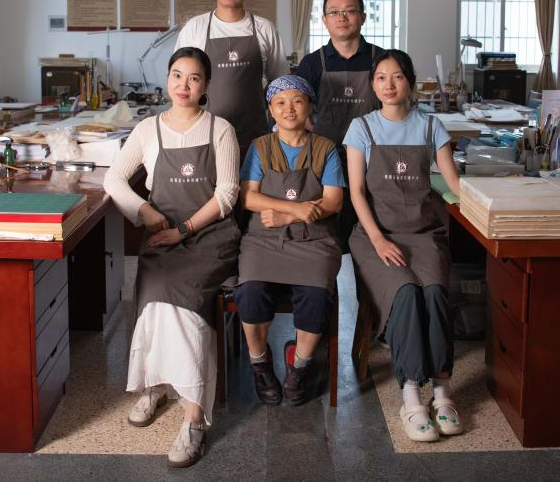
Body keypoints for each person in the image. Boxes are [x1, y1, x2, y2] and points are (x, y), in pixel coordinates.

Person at [104, 46, 240, 468]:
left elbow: (228, 194)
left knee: (187, 303)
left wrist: (185, 229)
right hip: (163, 234)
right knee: (154, 293)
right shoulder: (148, 129)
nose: (184, 85)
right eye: (177, 75)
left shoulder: (220, 129)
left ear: (207, 85)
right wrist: (145, 212)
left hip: (210, 235)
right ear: (167, 79)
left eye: (194, 77)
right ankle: (156, 385)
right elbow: (114, 179)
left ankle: (194, 416)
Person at [343, 49, 463, 443]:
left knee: (435, 293)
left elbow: (454, 183)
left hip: (424, 233)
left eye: (397, 76)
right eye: (381, 77)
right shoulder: (361, 128)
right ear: (372, 84)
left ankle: (442, 391)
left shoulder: (431, 126)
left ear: (410, 82)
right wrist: (378, 239)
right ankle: (411, 395)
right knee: (407, 292)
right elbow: (356, 193)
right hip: (376, 235)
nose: (389, 85)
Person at [234, 75, 343, 406]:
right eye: (280, 102)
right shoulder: (260, 148)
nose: (289, 109)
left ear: (309, 106)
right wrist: (295, 209)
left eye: (297, 101)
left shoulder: (325, 148)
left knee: (316, 296)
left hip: (313, 241)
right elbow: (248, 198)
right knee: (250, 292)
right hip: (263, 239)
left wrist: (287, 218)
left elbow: (333, 202)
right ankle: (260, 363)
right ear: (271, 109)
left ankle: (300, 365)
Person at [296, 0, 384, 251]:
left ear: (363, 17)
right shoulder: (312, 63)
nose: (342, 17)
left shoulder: (381, 59)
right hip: (326, 160)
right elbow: (297, 108)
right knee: (329, 231)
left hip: (373, 158)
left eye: (349, 11)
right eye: (334, 12)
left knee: (370, 226)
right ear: (325, 20)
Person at [174, 0, 289, 152]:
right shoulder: (195, 28)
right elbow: (179, 83)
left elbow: (281, 84)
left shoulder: (264, 28)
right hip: (204, 136)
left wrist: (281, 128)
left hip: (255, 137)